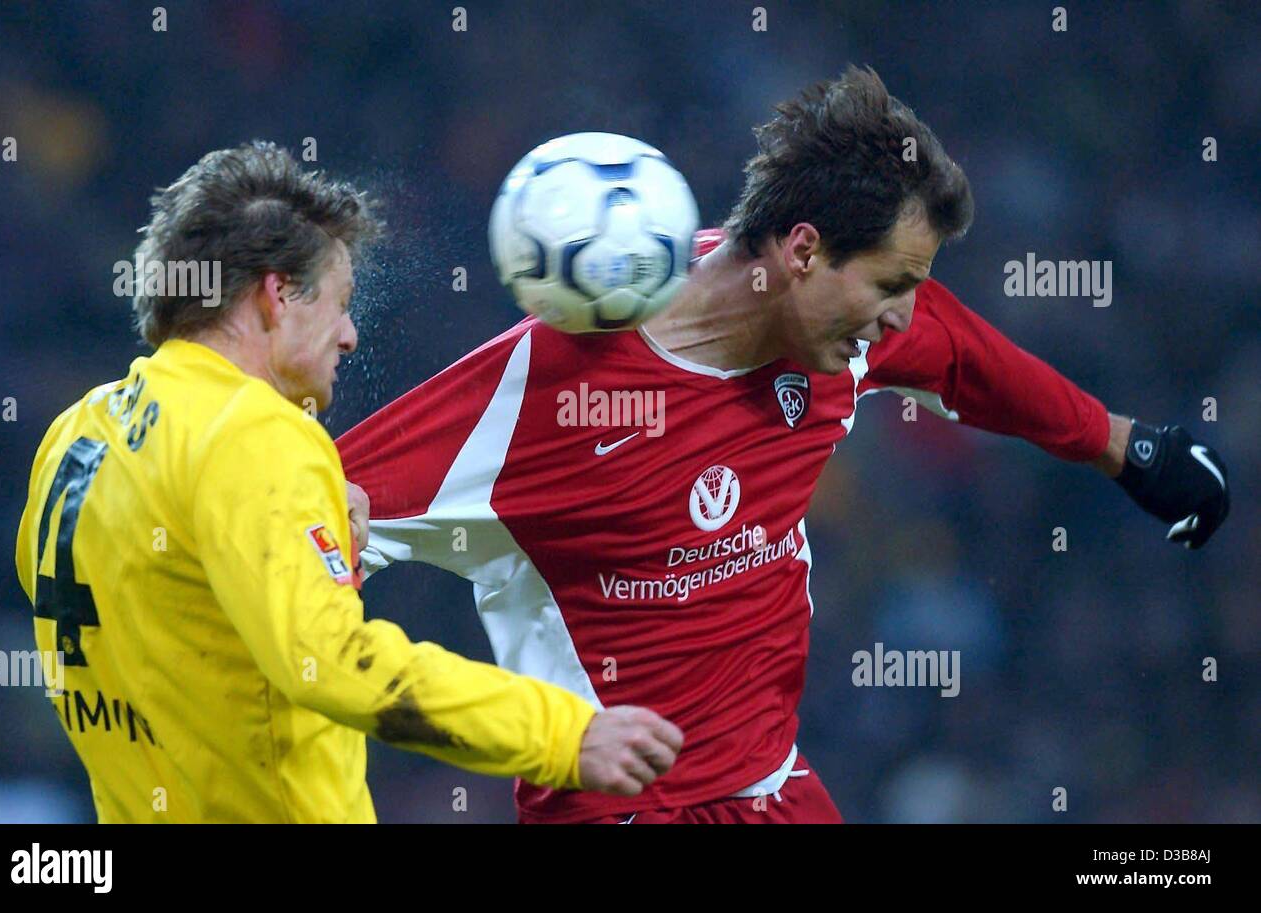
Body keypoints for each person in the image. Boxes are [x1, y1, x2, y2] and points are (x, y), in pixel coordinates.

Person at [337, 67, 1229, 824]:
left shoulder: (846, 332)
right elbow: (318, 504)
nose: (902, 315)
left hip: (774, 788)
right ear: (803, 250)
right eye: (893, 282)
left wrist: (1128, 448)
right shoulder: (542, 394)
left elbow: (965, 357)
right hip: (619, 805)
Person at [13, 141, 681, 823]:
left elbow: (174, 624)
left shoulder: (75, 436)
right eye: (340, 302)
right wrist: (564, 733)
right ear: (276, 295)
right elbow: (329, 661)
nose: (351, 335)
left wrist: (313, 553)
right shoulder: (255, 433)